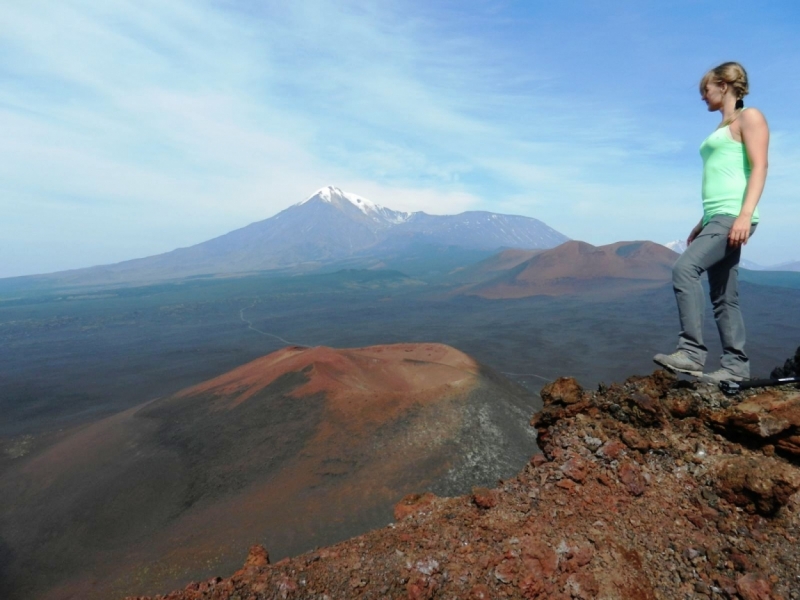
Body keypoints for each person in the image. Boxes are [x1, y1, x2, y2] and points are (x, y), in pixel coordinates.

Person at [654, 62, 769, 384]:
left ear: (722, 84)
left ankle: (691, 353)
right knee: (723, 295)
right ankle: (735, 368)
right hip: (717, 217)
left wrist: (745, 215)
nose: (703, 97)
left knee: (684, 269)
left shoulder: (751, 117)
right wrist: (702, 221)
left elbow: (759, 167)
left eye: (705, 89)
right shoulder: (724, 126)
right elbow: (723, 178)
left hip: (734, 215)